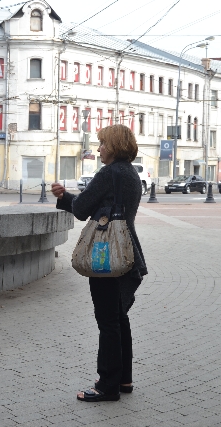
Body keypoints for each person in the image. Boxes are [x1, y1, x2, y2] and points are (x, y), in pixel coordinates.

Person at [51, 124, 147, 402]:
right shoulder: (131, 174)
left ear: (115, 145)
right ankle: (123, 378)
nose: (99, 148)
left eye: (102, 143)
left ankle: (107, 386)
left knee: (108, 321)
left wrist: (63, 197)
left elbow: (81, 209)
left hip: (106, 254)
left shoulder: (108, 173)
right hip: (127, 252)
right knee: (119, 318)